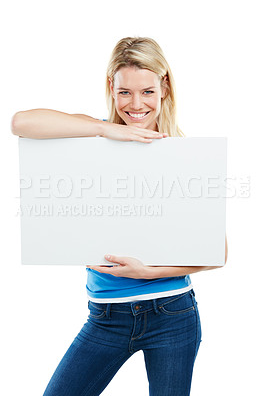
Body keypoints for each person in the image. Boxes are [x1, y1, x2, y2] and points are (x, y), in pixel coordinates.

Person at [11, 36, 228, 396]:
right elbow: (21, 122)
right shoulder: (90, 136)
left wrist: (147, 272)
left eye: (147, 91)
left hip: (172, 314)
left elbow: (217, 252)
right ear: (111, 87)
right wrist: (106, 129)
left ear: (164, 88)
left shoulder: (184, 153)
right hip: (106, 320)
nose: (136, 104)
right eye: (124, 91)